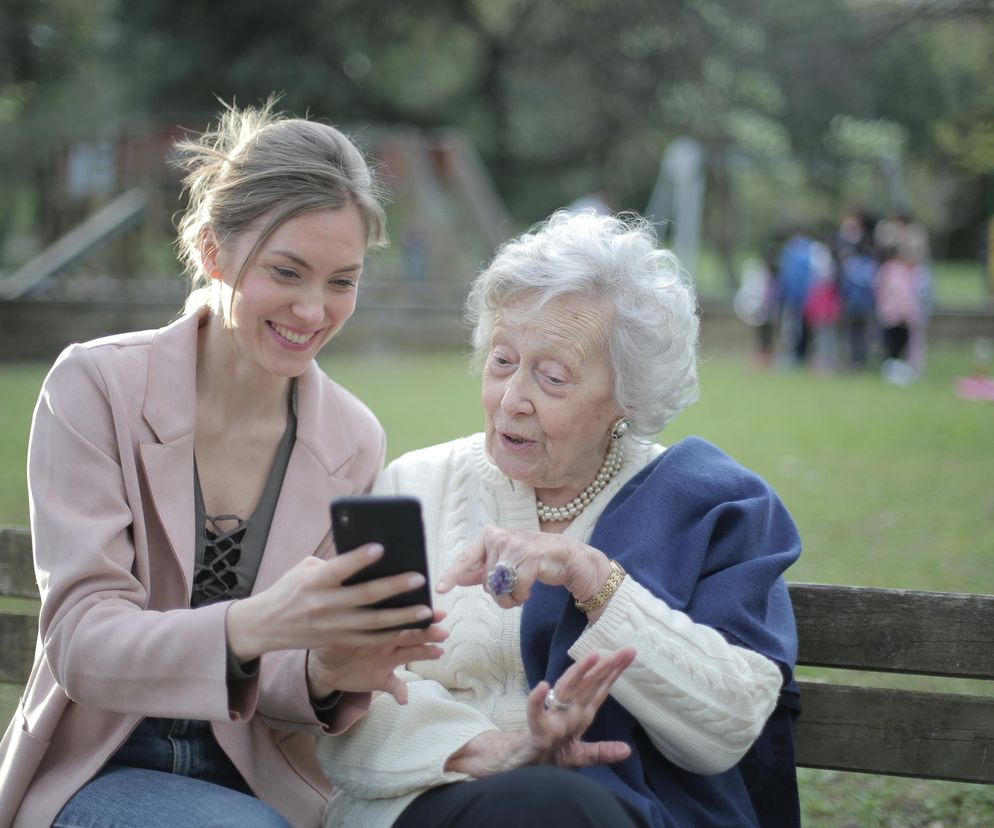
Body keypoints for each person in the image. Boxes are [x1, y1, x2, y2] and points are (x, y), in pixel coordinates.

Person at [0, 99, 448, 828]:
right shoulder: (94, 387)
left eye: (342, 280)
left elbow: (280, 680)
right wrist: (252, 623)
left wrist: (327, 672)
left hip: (264, 784)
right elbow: (83, 643)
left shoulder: (352, 438)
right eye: (288, 271)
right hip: (97, 770)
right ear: (213, 251)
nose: (313, 310)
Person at [317, 211, 803, 828]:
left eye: (552, 377)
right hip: (425, 802)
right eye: (501, 361)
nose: (511, 398)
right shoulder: (413, 486)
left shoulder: (712, 507)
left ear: (628, 396)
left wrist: (594, 578)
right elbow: (348, 689)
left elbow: (730, 725)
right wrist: (491, 750)